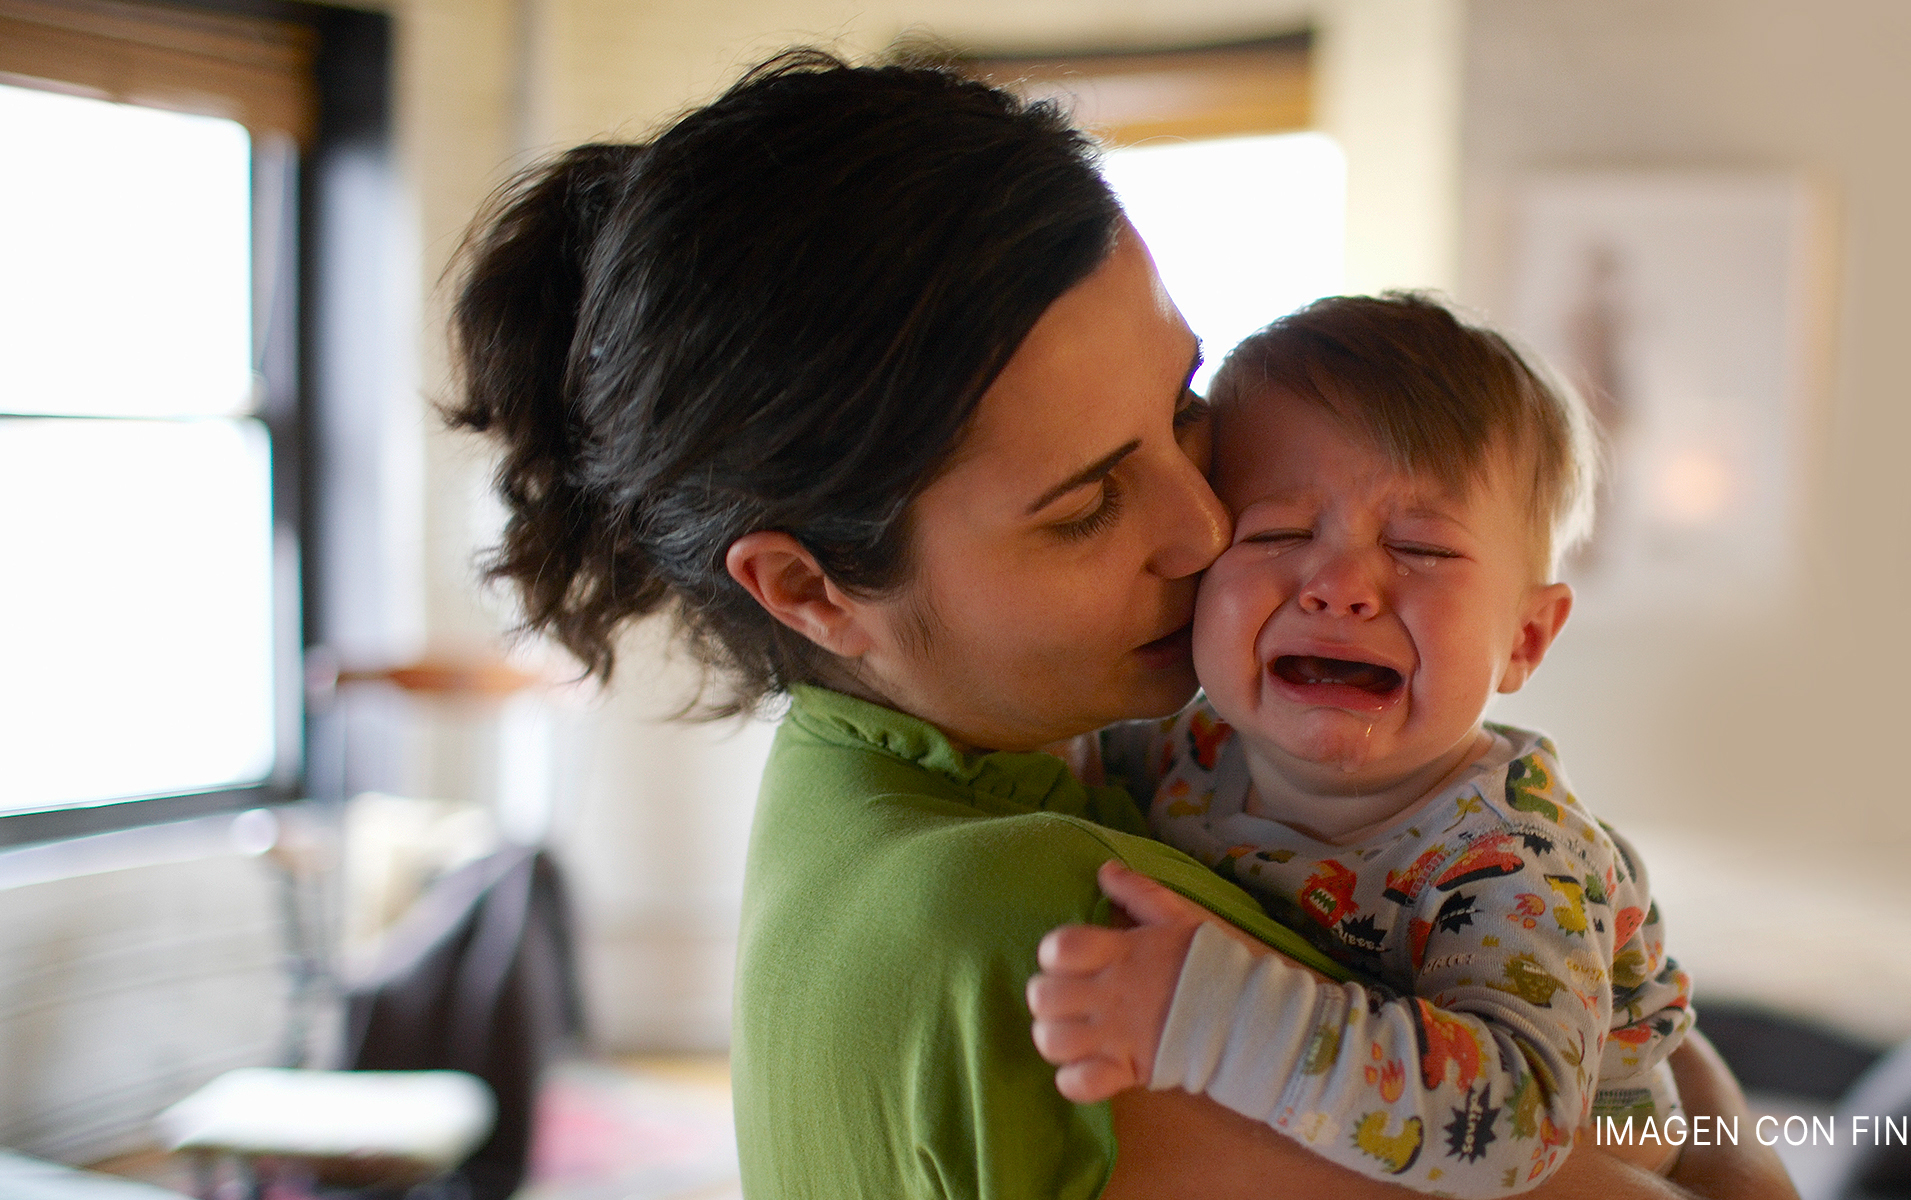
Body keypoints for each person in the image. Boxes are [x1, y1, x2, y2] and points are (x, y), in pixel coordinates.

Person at [444, 46, 1796, 1200]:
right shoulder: (1060, 920)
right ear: (809, 589)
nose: (1206, 527)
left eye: (1181, 409)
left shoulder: (866, 783)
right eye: (1089, 500)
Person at [1026, 295, 1693, 1196]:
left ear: (1527, 640)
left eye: (1421, 548)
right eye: (1279, 534)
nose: (1339, 586)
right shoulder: (1183, 747)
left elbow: (1519, 1128)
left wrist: (1218, 1020)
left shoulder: (1515, 862)